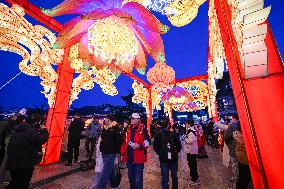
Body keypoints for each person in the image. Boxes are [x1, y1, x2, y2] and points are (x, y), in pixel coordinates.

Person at [5, 114, 48, 189]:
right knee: (22, 183)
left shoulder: (17, 130)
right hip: (25, 163)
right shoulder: (31, 132)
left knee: (15, 181)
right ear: (36, 123)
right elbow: (41, 139)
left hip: (14, 161)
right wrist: (44, 130)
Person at [121, 113, 151, 189]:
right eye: (131, 118)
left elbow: (148, 141)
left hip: (139, 159)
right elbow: (124, 141)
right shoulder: (128, 129)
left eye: (133, 118)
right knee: (131, 178)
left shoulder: (143, 129)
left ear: (138, 120)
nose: (131, 120)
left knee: (138, 180)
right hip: (129, 159)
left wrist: (140, 146)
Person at [153, 120, 182, 189]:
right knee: (174, 176)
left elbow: (155, 147)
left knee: (165, 178)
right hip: (173, 159)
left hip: (163, 159)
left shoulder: (158, 135)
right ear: (168, 126)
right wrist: (174, 152)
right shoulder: (173, 134)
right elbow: (179, 146)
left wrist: (160, 153)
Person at [95, 115, 121, 189]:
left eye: (105, 118)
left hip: (111, 153)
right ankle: (114, 185)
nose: (104, 119)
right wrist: (101, 148)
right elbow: (102, 139)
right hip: (104, 152)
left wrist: (118, 153)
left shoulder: (116, 128)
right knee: (110, 169)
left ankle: (100, 187)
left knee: (105, 171)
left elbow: (118, 141)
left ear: (109, 120)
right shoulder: (104, 128)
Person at [224, 115, 240, 188]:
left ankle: (235, 185)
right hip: (243, 150)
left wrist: (229, 145)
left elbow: (226, 136)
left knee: (235, 166)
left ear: (233, 118)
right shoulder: (242, 124)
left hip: (234, 149)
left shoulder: (233, 125)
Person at [184, 120, 200, 186]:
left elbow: (190, 141)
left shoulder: (192, 131)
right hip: (191, 150)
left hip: (192, 151)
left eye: (186, 124)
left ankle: (195, 179)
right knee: (191, 164)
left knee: (192, 165)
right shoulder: (191, 130)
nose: (185, 125)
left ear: (189, 124)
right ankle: (193, 177)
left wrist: (184, 138)